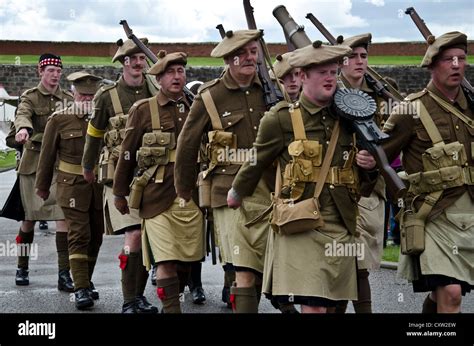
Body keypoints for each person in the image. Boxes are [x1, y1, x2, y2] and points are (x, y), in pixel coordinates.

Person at [228, 41, 378, 313]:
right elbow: (256, 160)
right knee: (314, 307)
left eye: (333, 72)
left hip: (341, 224)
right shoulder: (280, 119)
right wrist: (237, 192)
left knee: (332, 307)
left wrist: (369, 167)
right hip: (300, 223)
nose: (330, 78)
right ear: (302, 76)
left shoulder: (351, 120)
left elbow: (365, 182)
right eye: (322, 73)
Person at [175, 30, 275, 313]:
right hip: (228, 191)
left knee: (260, 267)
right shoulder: (210, 96)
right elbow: (187, 145)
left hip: (271, 188)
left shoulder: (271, 89)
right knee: (243, 265)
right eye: (241, 54)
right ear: (229, 59)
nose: (249, 58)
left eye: (253, 52)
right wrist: (185, 191)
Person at [382, 31, 473, 313]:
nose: (457, 64)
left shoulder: (472, 106)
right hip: (432, 214)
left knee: (447, 293)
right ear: (432, 66)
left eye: (461, 58)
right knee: (452, 291)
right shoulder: (411, 108)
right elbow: (381, 156)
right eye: (448, 59)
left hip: (469, 210)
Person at [113, 51, 204, 313]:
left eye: (181, 72)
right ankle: (171, 309)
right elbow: (127, 155)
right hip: (156, 197)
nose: (177, 77)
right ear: (159, 78)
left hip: (191, 197)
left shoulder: (197, 107)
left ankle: (170, 302)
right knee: (165, 260)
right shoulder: (142, 110)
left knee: (186, 263)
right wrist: (120, 193)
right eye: (170, 73)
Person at [82, 38, 158, 313]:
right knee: (134, 234)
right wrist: (88, 167)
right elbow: (94, 134)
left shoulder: (156, 90)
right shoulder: (107, 96)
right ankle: (129, 300)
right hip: (120, 179)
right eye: (133, 59)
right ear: (124, 62)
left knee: (149, 237)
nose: (139, 63)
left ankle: (138, 296)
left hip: (153, 175)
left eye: (142, 58)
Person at [35, 71, 104, 310]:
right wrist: (42, 187)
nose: (86, 100)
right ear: (73, 93)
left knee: (96, 236)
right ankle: (81, 288)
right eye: (82, 95)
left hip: (97, 186)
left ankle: (86, 279)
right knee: (79, 234)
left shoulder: (103, 118)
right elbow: (46, 157)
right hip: (71, 186)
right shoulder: (59, 119)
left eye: (91, 96)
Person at [333, 33, 388, 313]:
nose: (358, 61)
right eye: (351, 56)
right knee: (343, 264)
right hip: (336, 188)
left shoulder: (381, 95)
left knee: (360, 263)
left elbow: (395, 141)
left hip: (369, 189)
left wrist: (377, 162)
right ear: (340, 62)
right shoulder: (330, 92)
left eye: (363, 56)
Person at [13, 53, 73, 291]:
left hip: (59, 165)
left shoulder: (68, 98)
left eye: (58, 71)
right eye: (50, 71)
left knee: (62, 216)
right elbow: (22, 114)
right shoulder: (30, 96)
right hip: (34, 164)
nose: (55, 75)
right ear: (40, 71)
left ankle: (64, 274)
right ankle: (22, 266)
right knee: (28, 219)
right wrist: (23, 130)